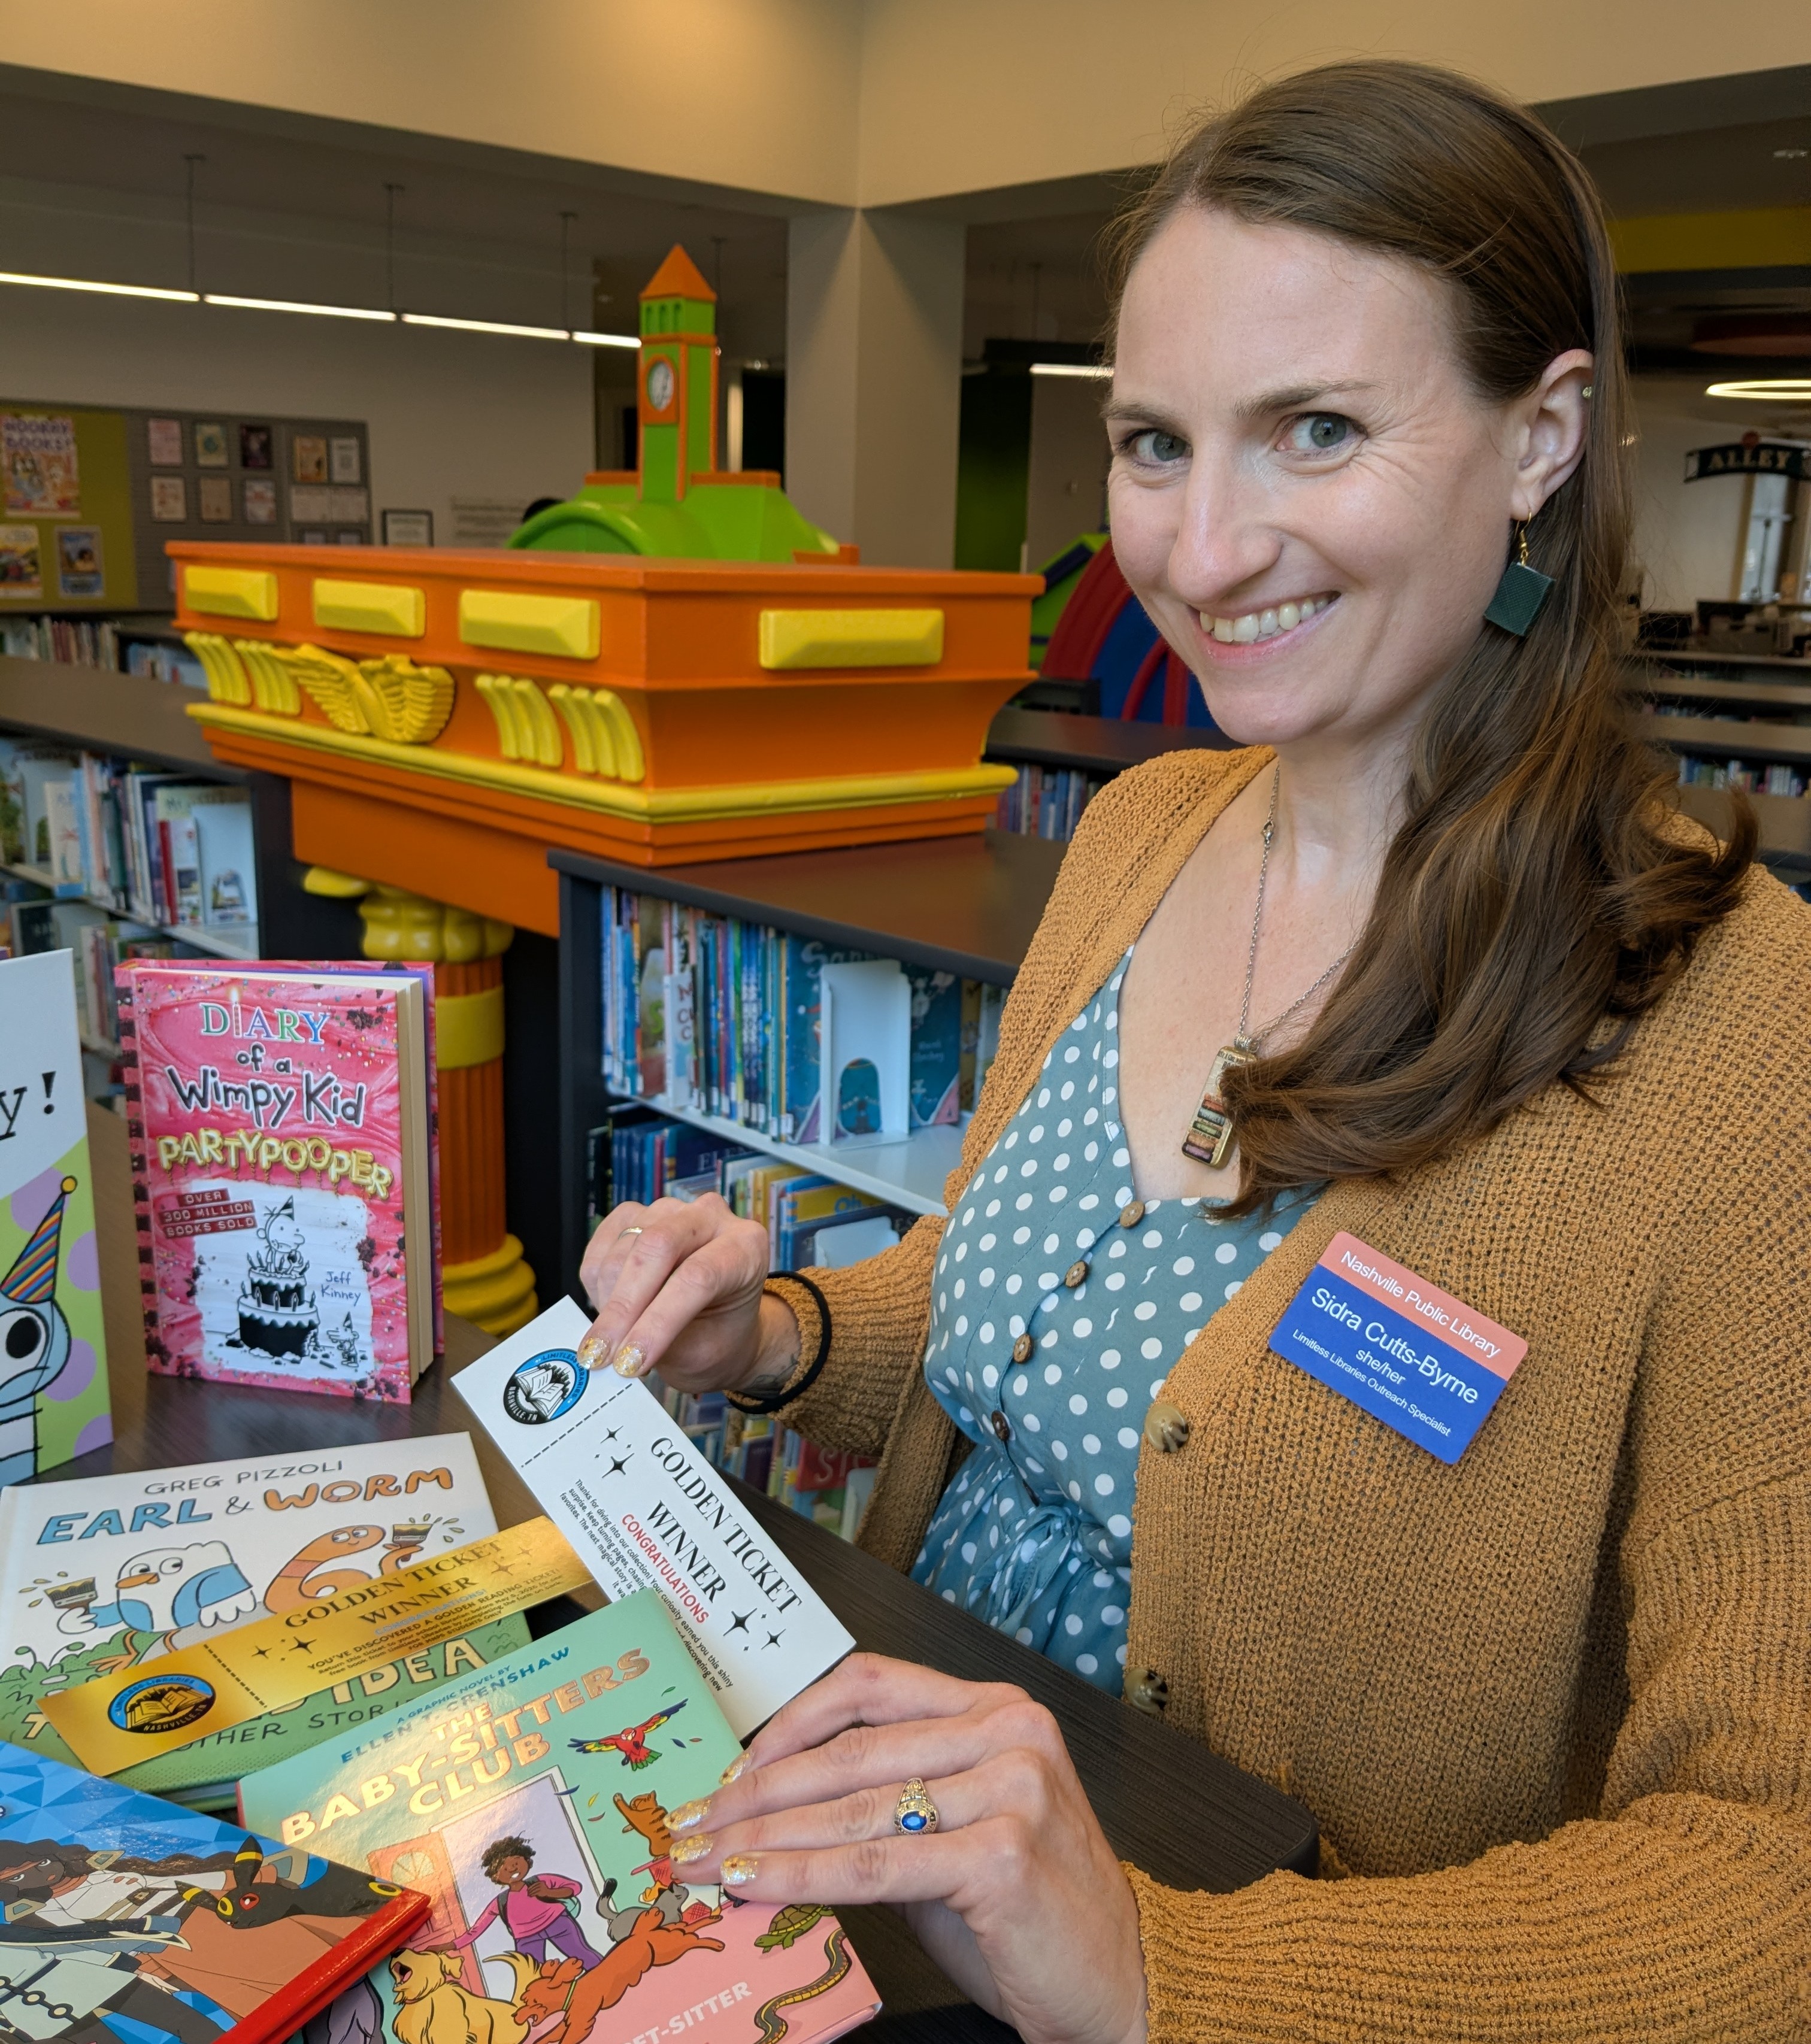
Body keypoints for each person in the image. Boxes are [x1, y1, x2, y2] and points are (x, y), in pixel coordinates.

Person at [574, 59, 1810, 2043]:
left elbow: (1773, 1877)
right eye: (1154, 442)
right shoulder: (1146, 827)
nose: (1205, 549)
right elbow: (1020, 1308)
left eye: (1312, 429)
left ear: (1541, 439)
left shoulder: (1741, 1028)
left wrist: (1170, 1976)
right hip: (864, 1845)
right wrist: (783, 1334)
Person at [451, 1837, 604, 1970]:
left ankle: (611, 1979)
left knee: (583, 1955)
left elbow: (575, 1888)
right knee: (536, 1977)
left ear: (526, 1860)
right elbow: (476, 1930)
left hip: (557, 1923)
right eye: (504, 1868)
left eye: (516, 1861)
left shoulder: (540, 1880)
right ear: (496, 1877)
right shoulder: (500, 1902)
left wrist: (549, 1893)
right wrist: (449, 1946)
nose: (512, 1869)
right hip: (526, 1938)